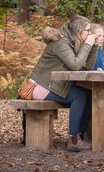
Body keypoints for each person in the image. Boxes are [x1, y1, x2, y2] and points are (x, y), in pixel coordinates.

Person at [29, 15, 99, 152]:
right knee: (79, 96)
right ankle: (73, 140)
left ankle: (81, 135)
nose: (90, 34)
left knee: (89, 93)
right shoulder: (61, 43)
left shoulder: (72, 42)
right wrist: (88, 44)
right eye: (88, 31)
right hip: (40, 86)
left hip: (54, 85)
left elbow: (87, 67)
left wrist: (94, 46)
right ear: (79, 32)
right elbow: (75, 65)